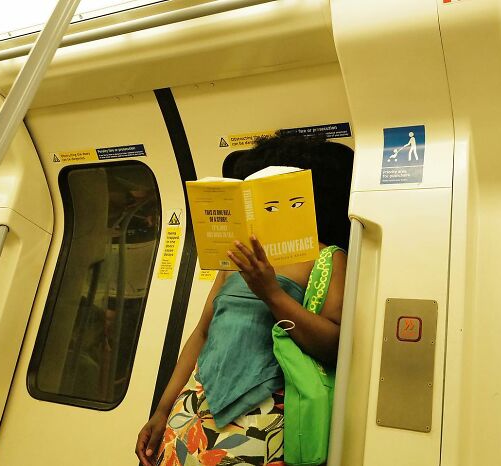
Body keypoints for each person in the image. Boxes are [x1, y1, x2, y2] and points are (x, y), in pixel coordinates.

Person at [135, 132, 354, 466]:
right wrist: (162, 411)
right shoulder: (234, 261)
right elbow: (202, 334)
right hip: (196, 405)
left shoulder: (327, 258)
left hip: (262, 412)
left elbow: (332, 344)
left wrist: (272, 293)